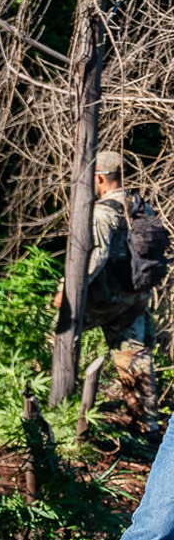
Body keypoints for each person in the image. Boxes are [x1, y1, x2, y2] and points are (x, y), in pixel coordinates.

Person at [62, 151, 157, 422]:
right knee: (133, 355)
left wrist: (67, 291)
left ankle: (62, 411)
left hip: (104, 298)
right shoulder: (142, 207)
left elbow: (96, 258)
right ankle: (146, 424)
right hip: (136, 295)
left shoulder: (102, 212)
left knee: (58, 334)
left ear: (99, 177)